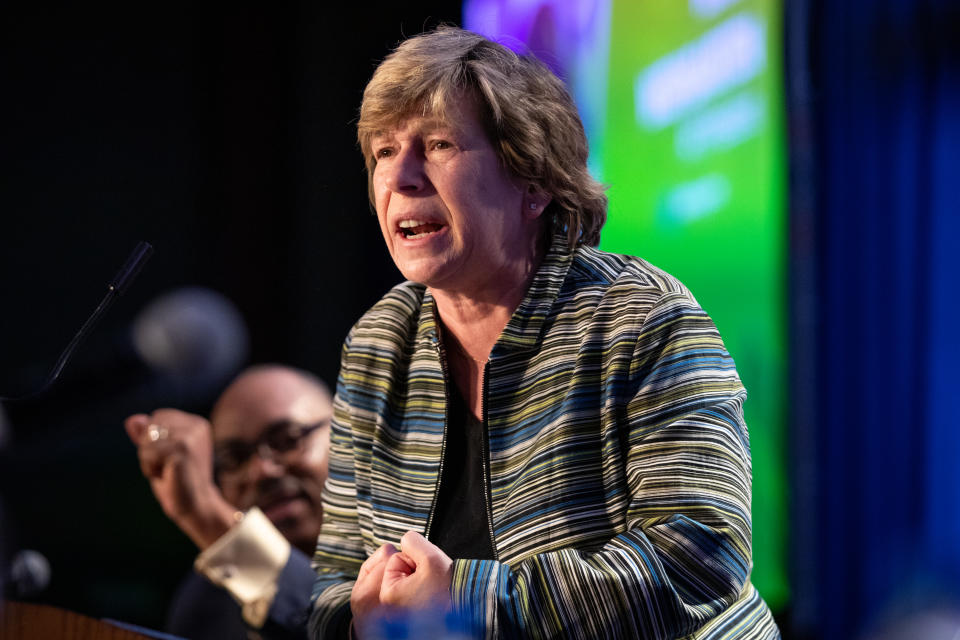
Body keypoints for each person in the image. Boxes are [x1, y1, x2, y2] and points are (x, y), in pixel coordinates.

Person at [309, 25, 779, 640]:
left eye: (440, 145)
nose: (402, 178)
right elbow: (334, 576)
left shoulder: (641, 318)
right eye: (384, 152)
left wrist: (467, 602)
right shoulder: (378, 343)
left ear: (532, 184)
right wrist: (358, 623)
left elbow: (700, 553)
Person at [125, 364, 332, 640]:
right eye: (234, 458)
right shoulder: (207, 604)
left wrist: (210, 517)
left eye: (287, 439)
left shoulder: (403, 549)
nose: (261, 471)